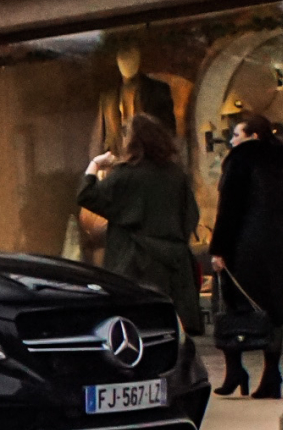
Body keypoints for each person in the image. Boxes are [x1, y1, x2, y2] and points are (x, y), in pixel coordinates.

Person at [79, 112, 202, 333]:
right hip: (172, 263)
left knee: (136, 324)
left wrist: (96, 164)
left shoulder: (126, 175)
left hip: (134, 262)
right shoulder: (176, 175)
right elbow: (190, 216)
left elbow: (86, 195)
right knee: (168, 324)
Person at [208, 113, 283, 398]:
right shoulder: (282, 165)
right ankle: (271, 376)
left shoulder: (241, 160)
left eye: (236, 134)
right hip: (274, 246)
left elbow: (229, 209)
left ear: (253, 136)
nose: (232, 140)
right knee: (271, 310)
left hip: (243, 245)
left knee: (233, 306)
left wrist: (218, 248)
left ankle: (235, 370)